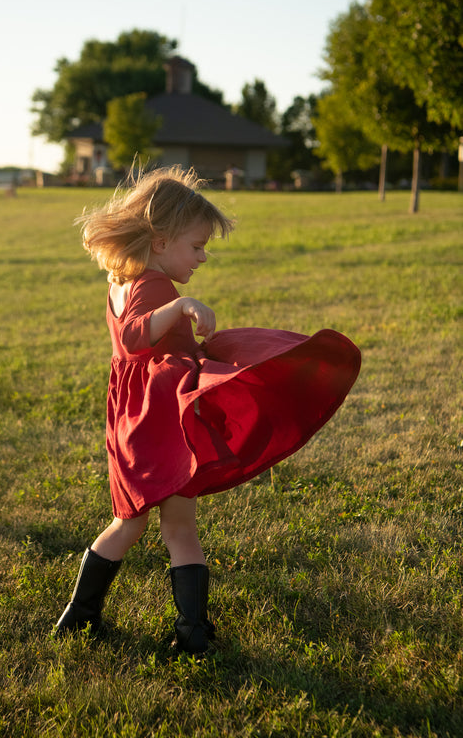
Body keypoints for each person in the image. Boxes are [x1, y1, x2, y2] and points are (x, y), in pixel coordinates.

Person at [54, 165, 361, 654]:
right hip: (162, 423)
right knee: (164, 526)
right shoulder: (153, 287)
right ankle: (175, 631)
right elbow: (135, 336)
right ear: (159, 240)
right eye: (195, 246)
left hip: (137, 420)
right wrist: (179, 308)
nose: (202, 257)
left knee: (140, 522)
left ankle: (94, 618)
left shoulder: (122, 279)